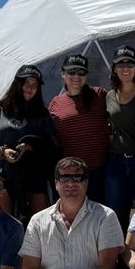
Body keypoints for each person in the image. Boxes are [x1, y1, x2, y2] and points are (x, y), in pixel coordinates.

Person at [0, 64, 56, 219]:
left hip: (35, 175)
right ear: (17, 84)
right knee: (5, 222)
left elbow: (53, 143)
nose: (30, 88)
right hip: (4, 175)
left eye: (34, 85)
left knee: (41, 221)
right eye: (26, 83)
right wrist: (3, 152)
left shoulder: (42, 113)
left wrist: (30, 146)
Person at [104, 45, 135, 232]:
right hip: (116, 162)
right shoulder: (109, 96)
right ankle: (119, 251)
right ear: (114, 69)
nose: (125, 69)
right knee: (116, 215)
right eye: (120, 64)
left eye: (130, 64)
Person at [49, 53, 109, 202]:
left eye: (81, 72)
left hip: (99, 171)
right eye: (71, 71)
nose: (76, 76)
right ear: (63, 73)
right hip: (71, 175)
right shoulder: (56, 103)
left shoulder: (99, 95)